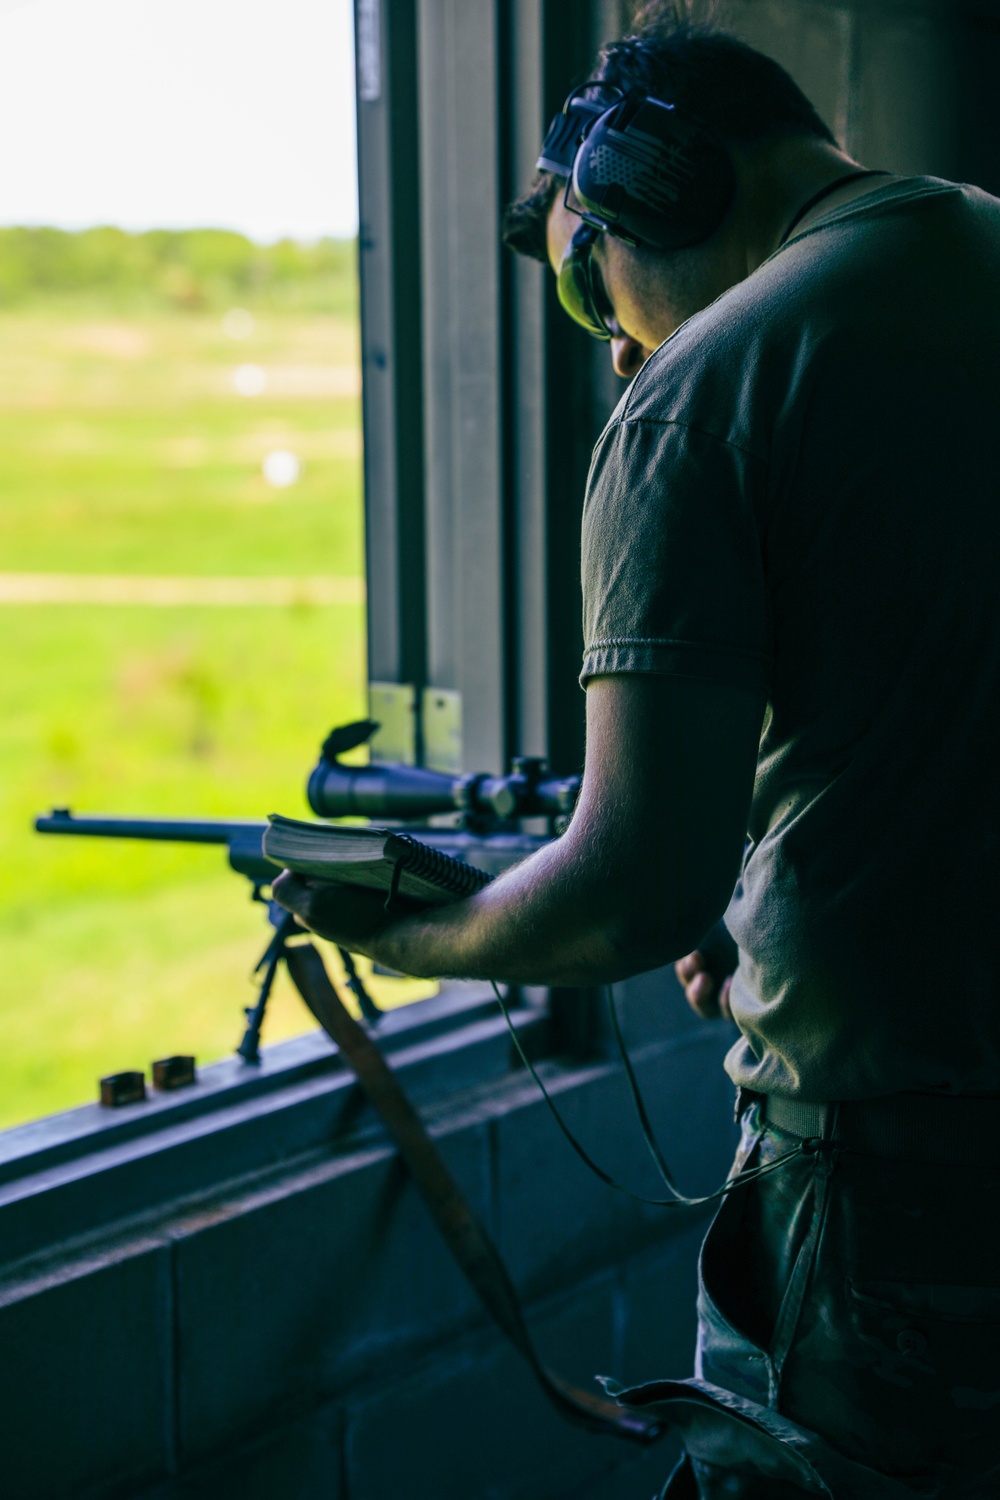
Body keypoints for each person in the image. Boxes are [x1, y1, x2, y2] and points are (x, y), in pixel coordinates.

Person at [275, 5, 1000, 1495]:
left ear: (656, 181)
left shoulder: (712, 387)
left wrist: (420, 933)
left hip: (906, 1189)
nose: (610, 345)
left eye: (582, 276)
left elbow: (626, 897)